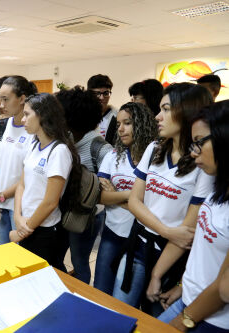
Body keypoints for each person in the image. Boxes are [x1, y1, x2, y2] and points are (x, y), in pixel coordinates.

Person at [112, 83, 213, 316]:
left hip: (172, 256)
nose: (158, 117)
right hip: (139, 243)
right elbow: (135, 201)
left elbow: (186, 230)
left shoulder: (201, 162)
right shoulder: (155, 149)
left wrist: (157, 273)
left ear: (187, 112)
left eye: (166, 109)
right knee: (120, 312)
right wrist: (166, 230)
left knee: (154, 319)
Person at [153, 101, 229, 332]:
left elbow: (224, 288)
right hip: (189, 302)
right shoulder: (219, 185)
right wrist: (183, 286)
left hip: (211, 320)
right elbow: (205, 250)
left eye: (199, 143)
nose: (193, 152)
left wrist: (184, 319)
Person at [9, 93, 79, 270]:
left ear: (42, 115)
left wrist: (22, 232)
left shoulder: (59, 151)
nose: (23, 119)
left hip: (44, 230)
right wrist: (17, 217)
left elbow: (50, 202)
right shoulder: (34, 144)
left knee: (43, 278)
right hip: (27, 224)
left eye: (27, 114)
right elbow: (22, 184)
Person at [94, 102, 158, 295]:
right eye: (119, 123)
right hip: (113, 232)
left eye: (127, 123)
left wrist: (116, 195)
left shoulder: (156, 159)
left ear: (142, 124)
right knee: (101, 291)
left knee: (126, 298)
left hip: (142, 239)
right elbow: (101, 197)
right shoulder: (113, 156)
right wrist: (134, 197)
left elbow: (155, 205)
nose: (120, 129)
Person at [56, 86, 113, 284]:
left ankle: (81, 294)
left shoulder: (101, 148)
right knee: (57, 257)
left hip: (87, 215)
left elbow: (108, 187)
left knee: (79, 261)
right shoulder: (67, 140)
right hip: (64, 209)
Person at [0, 76, 35, 245]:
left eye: (6, 99)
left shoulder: (33, 131)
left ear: (22, 99)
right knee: (3, 252)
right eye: (0, 98)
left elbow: (28, 175)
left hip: (18, 206)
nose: (2, 105)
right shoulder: (6, 124)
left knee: (20, 257)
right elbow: (1, 162)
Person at [87, 74, 117, 145]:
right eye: (97, 93)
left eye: (106, 93)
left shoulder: (116, 116)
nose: (102, 98)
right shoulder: (83, 116)